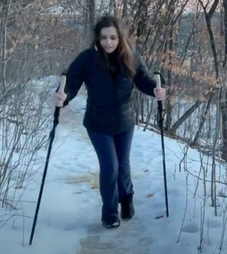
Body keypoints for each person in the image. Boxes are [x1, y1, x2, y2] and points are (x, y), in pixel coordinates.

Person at [54, 15, 166, 229]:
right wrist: (63, 95)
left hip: (124, 122)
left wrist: (156, 89)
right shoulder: (87, 59)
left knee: (123, 166)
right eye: (104, 37)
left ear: (119, 38)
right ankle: (110, 213)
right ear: (98, 38)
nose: (108, 42)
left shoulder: (130, 57)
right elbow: (72, 82)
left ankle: (127, 198)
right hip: (98, 123)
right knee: (110, 167)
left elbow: (143, 79)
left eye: (113, 37)